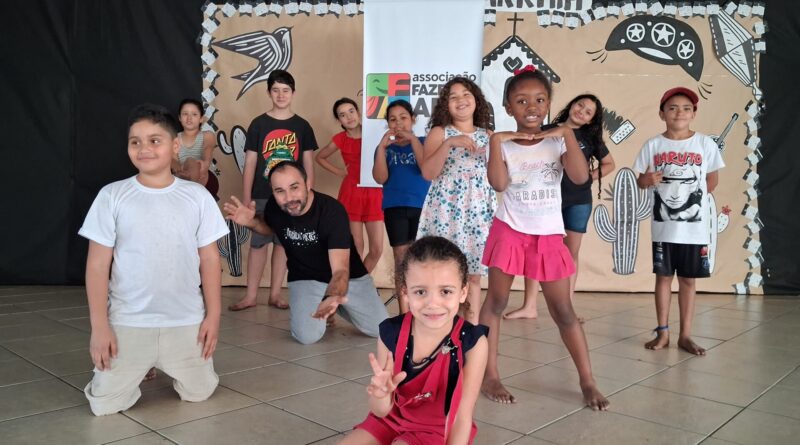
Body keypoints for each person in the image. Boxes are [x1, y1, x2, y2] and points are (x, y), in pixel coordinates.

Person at [79, 104, 229, 415]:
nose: (144, 148)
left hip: (185, 320)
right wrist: (99, 326)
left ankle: (159, 362)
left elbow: (210, 260)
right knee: (104, 405)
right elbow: (97, 265)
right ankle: (141, 364)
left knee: (200, 393)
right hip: (129, 321)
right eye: (135, 141)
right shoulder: (112, 195)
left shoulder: (197, 197)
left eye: (154, 140)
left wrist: (213, 317)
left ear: (175, 146)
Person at [478, 66, 608, 410]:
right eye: (521, 101)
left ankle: (587, 381)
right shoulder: (503, 143)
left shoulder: (557, 141)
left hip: (548, 234)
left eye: (539, 99)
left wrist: (566, 134)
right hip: (510, 230)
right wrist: (496, 141)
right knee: (495, 303)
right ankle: (490, 375)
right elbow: (498, 184)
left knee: (563, 310)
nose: (531, 106)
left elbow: (579, 178)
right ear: (508, 108)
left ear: (548, 104)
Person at [341, 236, 488, 445]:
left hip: (436, 429)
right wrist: (381, 395)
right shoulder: (390, 333)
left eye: (445, 291)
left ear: (463, 293)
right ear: (405, 293)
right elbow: (381, 411)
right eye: (420, 292)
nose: (432, 303)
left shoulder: (473, 343)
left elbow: (461, 417)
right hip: (390, 420)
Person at [223, 161, 388, 345]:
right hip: (305, 277)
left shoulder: (332, 211)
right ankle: (324, 302)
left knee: (380, 329)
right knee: (307, 337)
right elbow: (270, 228)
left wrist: (333, 296)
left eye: (294, 187)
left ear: (307, 183)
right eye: (280, 191)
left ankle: (338, 304)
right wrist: (252, 222)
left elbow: (341, 269)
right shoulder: (274, 207)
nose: (289, 198)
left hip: (348, 277)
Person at [503, 94, 616, 320]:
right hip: (545, 202)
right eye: (580, 105)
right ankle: (530, 306)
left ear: (591, 119)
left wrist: (587, 178)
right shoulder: (546, 130)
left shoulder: (591, 138)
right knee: (536, 250)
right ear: (571, 105)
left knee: (570, 254)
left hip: (578, 202)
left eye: (588, 112)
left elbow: (609, 164)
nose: (581, 111)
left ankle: (568, 307)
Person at [633, 87, 724, 356]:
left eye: (686, 108)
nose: (679, 113)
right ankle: (663, 332)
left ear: (694, 113)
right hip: (664, 227)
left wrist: (690, 199)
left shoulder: (705, 144)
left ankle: (685, 335)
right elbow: (640, 181)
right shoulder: (653, 145)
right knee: (663, 278)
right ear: (662, 114)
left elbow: (712, 179)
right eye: (672, 108)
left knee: (688, 281)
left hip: (694, 230)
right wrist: (647, 180)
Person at [230, 70, 318, 312]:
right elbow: (250, 163)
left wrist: (307, 194)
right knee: (258, 243)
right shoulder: (259, 124)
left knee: (282, 244)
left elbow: (308, 164)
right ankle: (250, 296)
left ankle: (276, 294)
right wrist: (247, 198)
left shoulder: (302, 126)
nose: (281, 95)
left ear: (293, 93)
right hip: (262, 194)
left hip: (292, 197)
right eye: (276, 90)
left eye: (285, 90)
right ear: (269, 93)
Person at [417, 77, 496, 324]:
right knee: (444, 270)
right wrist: (449, 143)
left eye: (466, 94)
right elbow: (428, 172)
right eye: (453, 97)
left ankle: (470, 329)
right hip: (446, 211)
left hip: (478, 210)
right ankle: (442, 324)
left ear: (476, 100)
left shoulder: (489, 135)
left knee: (473, 274)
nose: (461, 100)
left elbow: (498, 177)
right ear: (446, 105)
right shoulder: (440, 132)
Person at [372, 99, 430, 313]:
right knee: (401, 259)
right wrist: (381, 148)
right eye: (393, 119)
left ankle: (422, 308)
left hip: (421, 207)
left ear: (413, 119)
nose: (398, 123)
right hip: (394, 207)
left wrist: (413, 140)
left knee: (422, 259)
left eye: (403, 118)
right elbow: (380, 178)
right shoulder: (385, 148)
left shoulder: (423, 142)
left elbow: (426, 170)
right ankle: (404, 313)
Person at [316, 98, 384, 273]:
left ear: (358, 113)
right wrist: (340, 172)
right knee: (357, 247)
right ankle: (354, 285)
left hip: (374, 193)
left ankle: (360, 282)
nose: (349, 117)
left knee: (377, 249)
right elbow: (320, 157)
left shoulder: (374, 133)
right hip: (351, 193)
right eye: (342, 115)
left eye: (351, 111)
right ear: (339, 120)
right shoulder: (340, 139)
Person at [173, 98, 216, 187]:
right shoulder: (174, 139)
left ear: (201, 119)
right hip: (182, 179)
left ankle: (194, 189)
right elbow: (174, 163)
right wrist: (184, 170)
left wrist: (206, 163)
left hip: (204, 178)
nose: (189, 118)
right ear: (180, 118)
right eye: (185, 114)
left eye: (194, 114)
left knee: (192, 162)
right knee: (189, 162)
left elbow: (207, 149)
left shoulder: (208, 135)